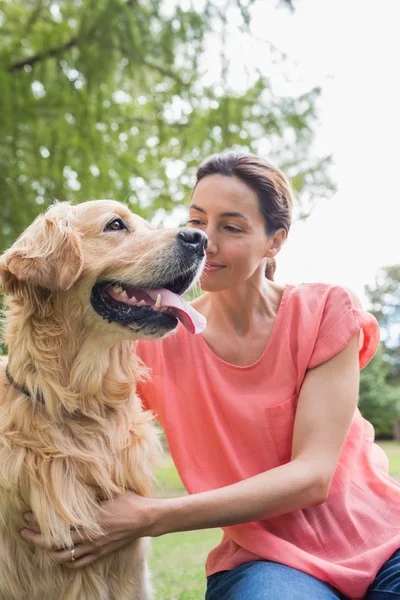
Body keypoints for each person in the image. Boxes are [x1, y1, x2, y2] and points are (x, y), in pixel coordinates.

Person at [22, 153, 400, 599]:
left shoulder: (324, 310)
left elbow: (313, 475)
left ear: (274, 242)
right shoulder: (151, 338)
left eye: (232, 227)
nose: (205, 241)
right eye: (198, 220)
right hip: (267, 562)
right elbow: (63, 397)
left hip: (383, 540)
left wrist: (151, 516)